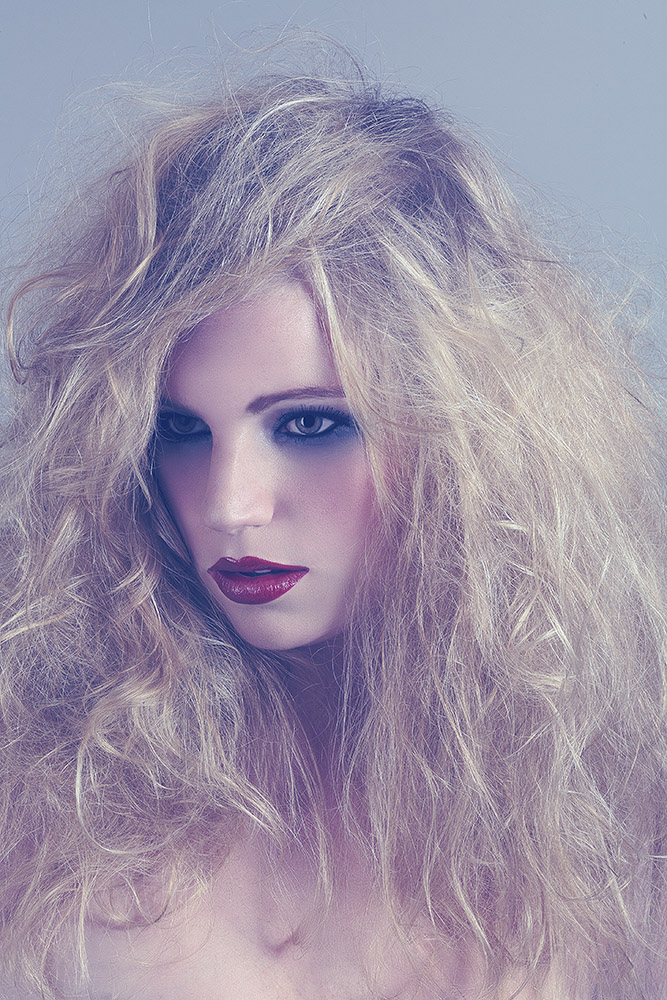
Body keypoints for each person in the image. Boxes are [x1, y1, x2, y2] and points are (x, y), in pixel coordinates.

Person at [0, 54, 665, 1000]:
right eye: (179, 430)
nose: (228, 505)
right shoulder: (43, 793)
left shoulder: (620, 825)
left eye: (310, 424)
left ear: (472, 443)